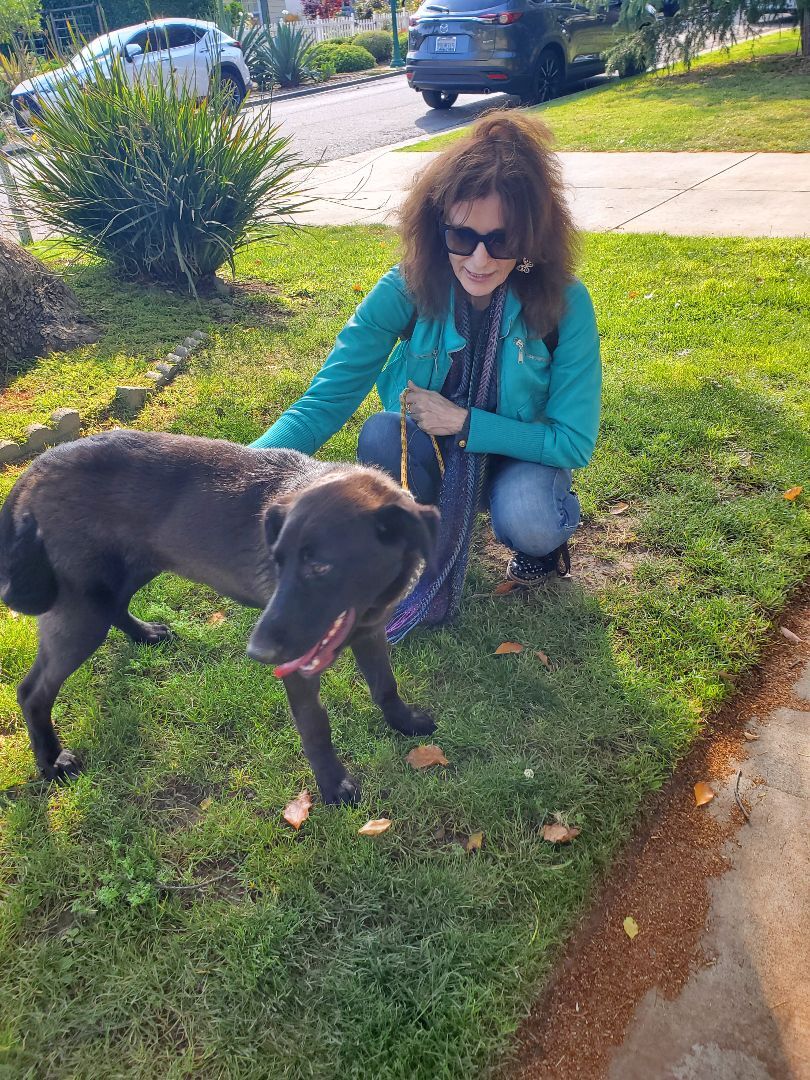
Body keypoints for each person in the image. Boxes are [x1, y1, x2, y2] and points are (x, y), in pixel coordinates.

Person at [250, 111, 601, 641]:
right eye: (463, 236)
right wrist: (244, 476)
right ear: (438, 230)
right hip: (428, 451)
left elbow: (573, 442)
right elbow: (323, 401)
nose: (480, 259)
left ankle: (542, 549)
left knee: (528, 516)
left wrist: (464, 421)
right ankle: (428, 544)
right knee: (379, 432)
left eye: (501, 241)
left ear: (532, 239)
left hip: (521, 458)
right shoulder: (406, 288)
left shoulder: (566, 305)